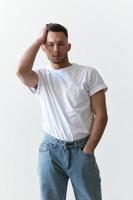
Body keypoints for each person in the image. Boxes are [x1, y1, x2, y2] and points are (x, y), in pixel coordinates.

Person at [16, 23, 108, 200]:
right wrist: (37, 41)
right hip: (50, 150)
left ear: (69, 46)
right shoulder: (41, 76)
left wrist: (88, 149)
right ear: (44, 47)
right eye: (50, 44)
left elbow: (101, 115)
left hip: (81, 149)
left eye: (61, 43)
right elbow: (21, 71)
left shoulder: (87, 74)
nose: (56, 49)